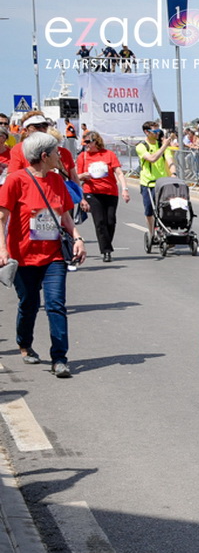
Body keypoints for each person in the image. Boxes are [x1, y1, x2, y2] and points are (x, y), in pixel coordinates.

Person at [0, 132, 88, 378]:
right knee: (28, 304)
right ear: (44, 156)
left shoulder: (57, 181)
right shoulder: (16, 180)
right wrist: (2, 248)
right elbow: (2, 216)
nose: (60, 155)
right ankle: (24, 343)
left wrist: (78, 238)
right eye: (56, 152)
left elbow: (65, 216)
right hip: (24, 256)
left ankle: (59, 358)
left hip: (53, 256)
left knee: (56, 305)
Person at [75, 132, 130, 262]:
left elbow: (119, 173)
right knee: (100, 222)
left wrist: (125, 189)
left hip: (110, 192)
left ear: (96, 141)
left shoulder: (108, 154)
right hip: (91, 192)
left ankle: (106, 244)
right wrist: (83, 178)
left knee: (110, 221)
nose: (86, 145)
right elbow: (76, 178)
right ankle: (106, 251)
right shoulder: (83, 156)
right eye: (84, 142)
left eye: (88, 142)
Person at [136, 121, 175, 238]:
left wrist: (173, 173)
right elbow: (152, 158)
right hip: (148, 183)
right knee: (149, 211)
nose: (158, 133)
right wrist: (164, 146)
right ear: (146, 132)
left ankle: (165, 231)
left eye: (159, 131)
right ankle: (151, 232)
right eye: (155, 131)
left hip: (162, 183)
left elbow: (170, 161)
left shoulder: (162, 145)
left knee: (165, 209)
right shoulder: (141, 146)